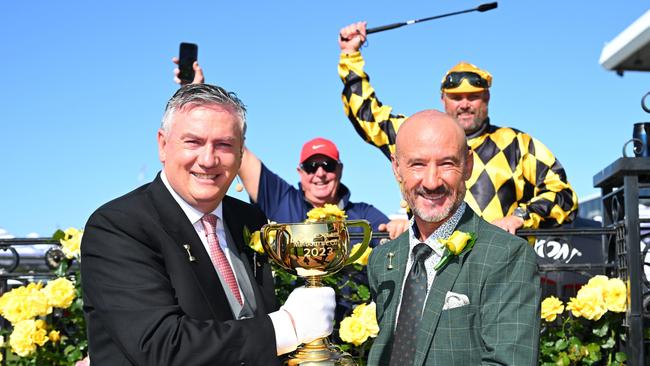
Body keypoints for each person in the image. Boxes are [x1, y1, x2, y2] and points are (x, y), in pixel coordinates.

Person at [81, 83, 336, 365]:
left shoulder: (249, 219)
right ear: (163, 145)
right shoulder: (118, 226)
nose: (208, 159)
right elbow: (162, 346)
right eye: (193, 142)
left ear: (241, 154)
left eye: (224, 144)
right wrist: (287, 327)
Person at [338, 22, 578, 234]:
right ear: (443, 99)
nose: (464, 104)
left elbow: (563, 195)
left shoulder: (517, 143)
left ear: (487, 98)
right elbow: (366, 115)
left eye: (473, 97)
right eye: (456, 97)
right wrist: (350, 55)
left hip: (499, 270)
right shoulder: (416, 133)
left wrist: (520, 217)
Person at [366, 110, 540, 365]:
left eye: (447, 163)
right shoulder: (382, 260)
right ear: (397, 168)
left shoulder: (507, 256)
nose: (432, 181)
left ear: (468, 165)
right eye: (417, 164)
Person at [171, 57, 409, 239]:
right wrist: (196, 93)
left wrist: (401, 229)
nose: (319, 173)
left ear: (340, 170)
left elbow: (395, 241)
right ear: (300, 172)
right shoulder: (282, 200)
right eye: (311, 166)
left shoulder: (364, 216)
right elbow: (234, 147)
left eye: (327, 165)